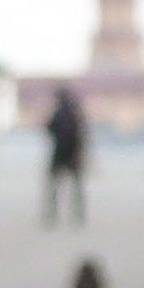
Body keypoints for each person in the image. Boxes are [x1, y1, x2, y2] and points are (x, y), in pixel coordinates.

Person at [43, 86, 89, 225]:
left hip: (61, 153)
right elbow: (81, 135)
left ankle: (53, 215)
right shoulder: (75, 113)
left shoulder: (59, 113)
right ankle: (78, 214)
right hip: (72, 154)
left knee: (55, 187)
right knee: (75, 188)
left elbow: (49, 128)